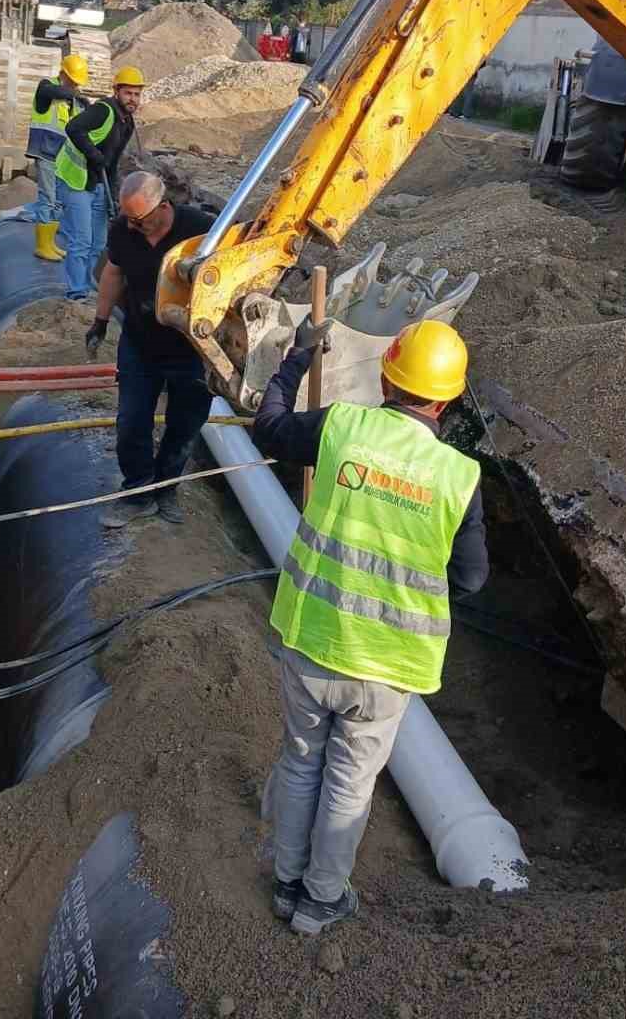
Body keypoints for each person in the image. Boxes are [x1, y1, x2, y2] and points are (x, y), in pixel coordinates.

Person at [253, 318, 488, 937]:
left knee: (303, 761)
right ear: (446, 399)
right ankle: (321, 900)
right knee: (350, 782)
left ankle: (285, 882)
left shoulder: (343, 427)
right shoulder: (460, 478)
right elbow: (470, 580)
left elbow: (271, 429)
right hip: (388, 664)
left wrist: (296, 359)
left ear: (387, 375)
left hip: (313, 639)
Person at [86, 171, 214, 529]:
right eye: (128, 218)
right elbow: (113, 273)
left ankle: (166, 488)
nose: (132, 225)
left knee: (185, 426)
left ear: (163, 206)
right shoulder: (123, 230)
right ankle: (139, 493)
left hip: (191, 350)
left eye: (139, 219)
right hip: (140, 342)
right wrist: (99, 320)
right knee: (131, 420)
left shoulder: (203, 230)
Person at [55, 64, 144, 301]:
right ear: (117, 92)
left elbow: (113, 161)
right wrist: (94, 155)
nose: (132, 98)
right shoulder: (104, 111)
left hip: (98, 182)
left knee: (99, 242)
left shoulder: (128, 122)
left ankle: (86, 283)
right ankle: (76, 292)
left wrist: (113, 195)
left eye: (136, 94)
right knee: (81, 240)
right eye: (128, 93)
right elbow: (73, 128)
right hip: (76, 179)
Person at [19, 52, 90, 262]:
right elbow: (52, 91)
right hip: (46, 152)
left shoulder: (74, 99)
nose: (75, 85)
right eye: (72, 80)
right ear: (62, 74)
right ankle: (42, 245)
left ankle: (50, 243)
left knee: (58, 202)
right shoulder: (46, 87)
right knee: (48, 199)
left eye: (77, 83)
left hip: (63, 159)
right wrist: (74, 95)